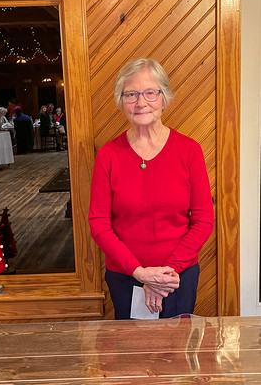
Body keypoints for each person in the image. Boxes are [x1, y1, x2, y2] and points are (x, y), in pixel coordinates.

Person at [89, 58, 214, 320]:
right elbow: (99, 223)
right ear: (121, 101)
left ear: (164, 98)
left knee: (176, 353)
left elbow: (203, 220)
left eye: (150, 93)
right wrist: (140, 273)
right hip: (126, 277)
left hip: (177, 278)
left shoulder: (189, 151)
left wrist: (164, 275)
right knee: (134, 356)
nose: (141, 102)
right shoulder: (109, 155)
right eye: (131, 94)